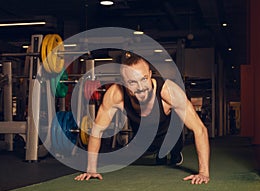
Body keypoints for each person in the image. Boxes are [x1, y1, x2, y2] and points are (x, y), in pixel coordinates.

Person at [75, 52, 210, 184]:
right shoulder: (115, 94)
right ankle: (158, 154)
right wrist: (91, 169)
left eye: (144, 79)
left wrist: (203, 172)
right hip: (143, 133)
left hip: (170, 131)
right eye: (132, 82)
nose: (140, 88)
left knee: (172, 143)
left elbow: (200, 129)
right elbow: (97, 130)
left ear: (150, 75)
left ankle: (174, 152)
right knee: (146, 150)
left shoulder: (169, 92)